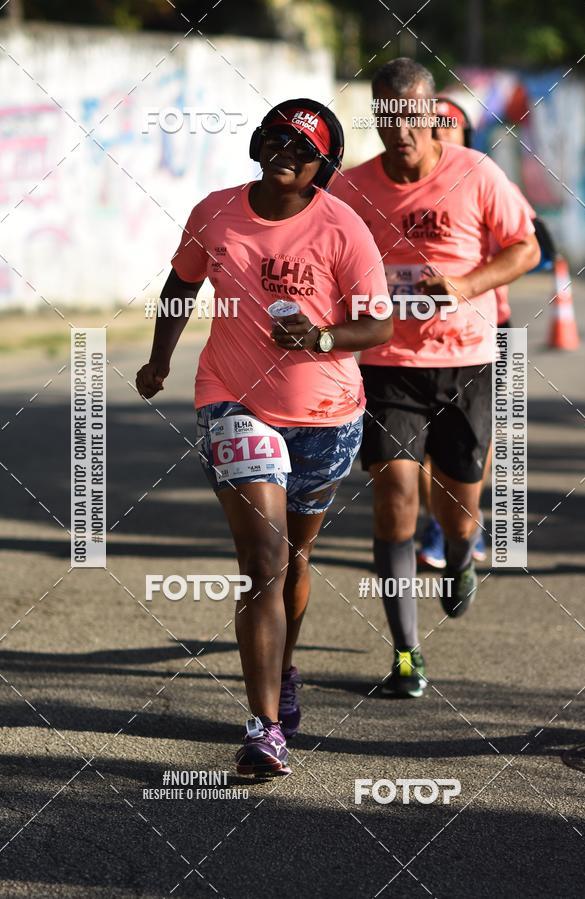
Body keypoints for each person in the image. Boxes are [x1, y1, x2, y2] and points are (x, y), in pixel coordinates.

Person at [136, 99, 391, 774]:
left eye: (303, 148)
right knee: (265, 565)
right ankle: (263, 727)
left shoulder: (344, 227)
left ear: (323, 167)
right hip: (233, 401)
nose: (287, 152)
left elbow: (379, 325)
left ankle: (283, 670)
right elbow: (180, 282)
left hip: (327, 414)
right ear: (256, 142)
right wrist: (161, 357)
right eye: (277, 138)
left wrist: (323, 336)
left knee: (296, 561)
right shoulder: (215, 210)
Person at [331, 60, 540, 698]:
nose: (401, 128)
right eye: (387, 115)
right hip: (388, 365)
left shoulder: (475, 173)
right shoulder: (349, 188)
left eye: (412, 114)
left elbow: (525, 247)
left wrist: (465, 286)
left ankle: (457, 558)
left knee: (459, 505)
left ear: (431, 113)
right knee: (395, 495)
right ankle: (405, 653)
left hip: (466, 360)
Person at [418, 96, 555, 569]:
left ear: (466, 137)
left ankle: (463, 520)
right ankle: (438, 522)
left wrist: (475, 271)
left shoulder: (482, 177)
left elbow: (539, 245)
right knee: (420, 440)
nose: (437, 134)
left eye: (447, 126)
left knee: (480, 436)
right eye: (429, 124)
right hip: (414, 336)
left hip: (492, 325)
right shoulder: (398, 183)